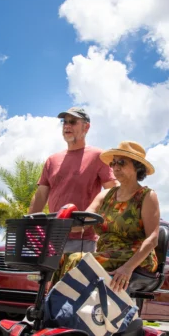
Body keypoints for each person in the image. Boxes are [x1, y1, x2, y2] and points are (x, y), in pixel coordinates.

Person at [55, 141, 161, 293]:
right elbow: (83, 221)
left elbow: (153, 239)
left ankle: (68, 309)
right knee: (61, 260)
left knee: (77, 260)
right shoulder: (106, 195)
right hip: (106, 253)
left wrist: (127, 268)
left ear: (138, 167)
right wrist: (60, 222)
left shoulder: (147, 196)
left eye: (122, 163)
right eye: (114, 163)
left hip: (135, 256)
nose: (116, 167)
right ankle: (54, 308)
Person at [29, 107, 117, 253]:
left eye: (73, 122)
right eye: (65, 122)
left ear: (86, 127)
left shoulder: (98, 156)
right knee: (50, 277)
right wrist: (28, 225)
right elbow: (40, 195)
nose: (67, 126)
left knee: (75, 277)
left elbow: (112, 191)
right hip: (53, 239)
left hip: (83, 240)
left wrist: (94, 220)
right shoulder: (52, 160)